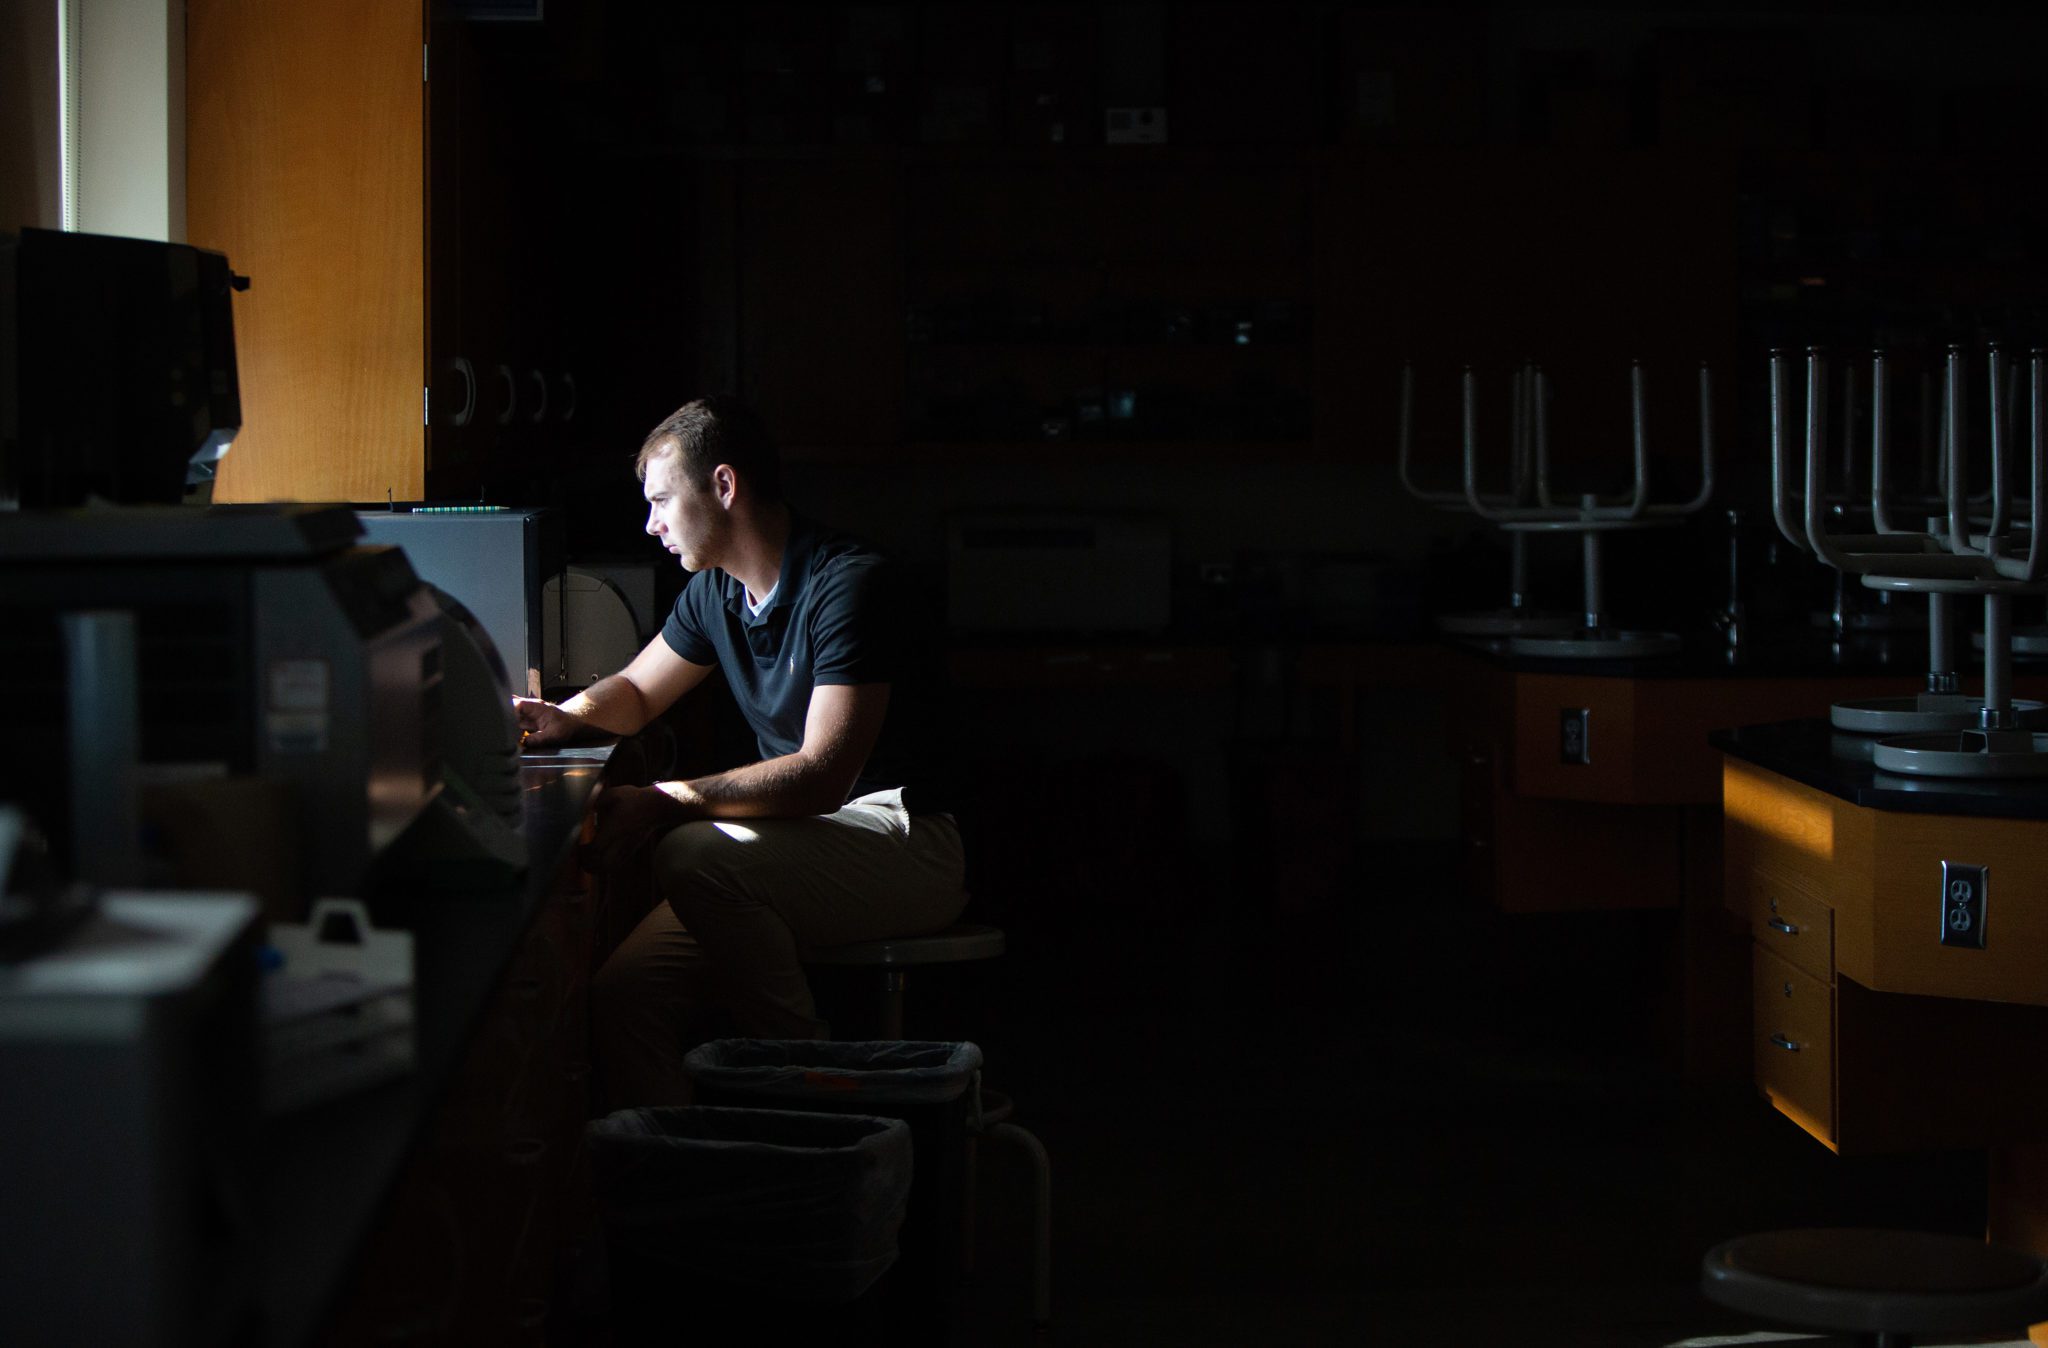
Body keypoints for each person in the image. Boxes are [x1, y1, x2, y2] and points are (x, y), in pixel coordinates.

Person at [515, 396, 965, 1107]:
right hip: (796, 844)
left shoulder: (848, 585)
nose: (650, 522)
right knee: (623, 997)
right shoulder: (713, 594)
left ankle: (809, 1094)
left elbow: (821, 776)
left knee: (691, 855)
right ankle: (697, 1181)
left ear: (724, 486)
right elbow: (636, 688)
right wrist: (557, 720)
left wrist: (662, 803)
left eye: (662, 499)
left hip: (906, 840)